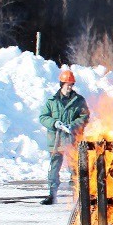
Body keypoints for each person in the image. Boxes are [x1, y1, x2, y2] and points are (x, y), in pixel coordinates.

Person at [38, 69, 90, 205]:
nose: (70, 87)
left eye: (72, 85)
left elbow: (84, 117)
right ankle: (52, 194)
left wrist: (73, 126)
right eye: (67, 85)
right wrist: (55, 123)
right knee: (54, 167)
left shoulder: (79, 101)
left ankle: (76, 194)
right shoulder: (52, 101)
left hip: (71, 140)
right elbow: (43, 117)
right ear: (61, 84)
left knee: (74, 167)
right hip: (55, 140)